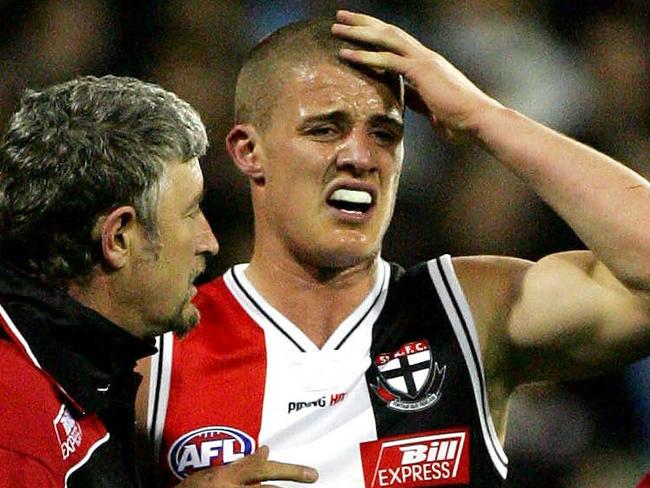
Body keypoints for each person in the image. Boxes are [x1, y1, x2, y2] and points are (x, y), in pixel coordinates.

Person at [138, 11, 650, 488]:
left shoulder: (471, 310)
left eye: (384, 133)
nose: (361, 156)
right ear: (249, 152)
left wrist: (483, 117)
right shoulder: (155, 358)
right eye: (325, 129)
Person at [0, 75, 318, 488]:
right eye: (191, 212)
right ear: (119, 238)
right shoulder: (18, 440)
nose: (210, 242)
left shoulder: (73, 373)